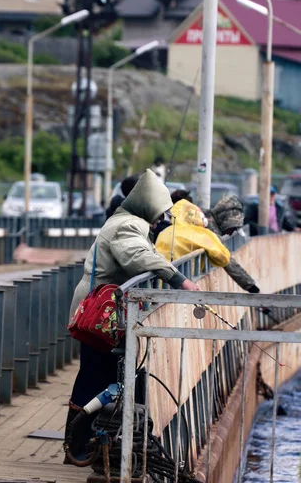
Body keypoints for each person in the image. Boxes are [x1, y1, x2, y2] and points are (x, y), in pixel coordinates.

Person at [65, 169, 199, 459]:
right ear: (147, 208)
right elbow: (137, 257)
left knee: (95, 373)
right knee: (94, 375)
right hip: (100, 312)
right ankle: (77, 446)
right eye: (159, 213)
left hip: (103, 309)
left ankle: (81, 443)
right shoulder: (128, 226)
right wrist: (179, 279)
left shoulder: (124, 220)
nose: (159, 219)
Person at [205, 195, 260, 293]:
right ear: (224, 220)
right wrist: (252, 287)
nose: (231, 233)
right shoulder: (211, 230)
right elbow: (228, 261)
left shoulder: (207, 219)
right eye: (232, 228)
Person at [156, 199, 232, 269]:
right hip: (186, 279)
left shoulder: (165, 232)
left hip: (160, 280)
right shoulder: (201, 234)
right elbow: (223, 258)